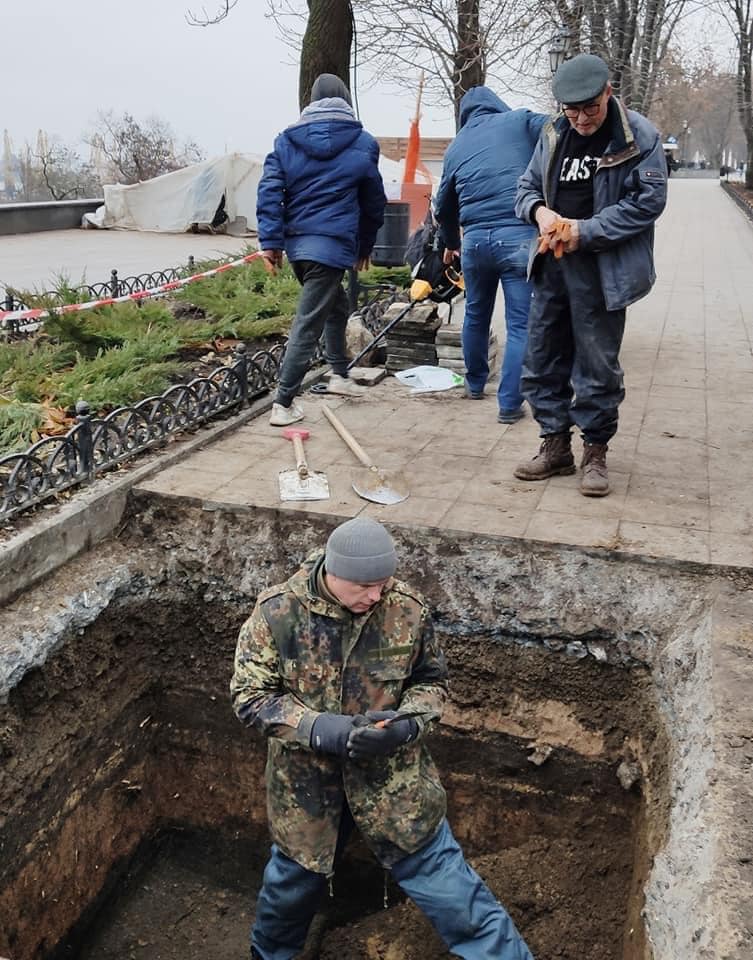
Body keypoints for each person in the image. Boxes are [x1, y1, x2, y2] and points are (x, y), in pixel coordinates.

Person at [231, 516, 534, 960]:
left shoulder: (406, 609)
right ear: (334, 574)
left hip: (395, 789)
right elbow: (249, 696)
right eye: (365, 587)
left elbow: (432, 682)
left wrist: (407, 725)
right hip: (308, 794)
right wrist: (317, 727)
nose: (376, 596)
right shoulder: (277, 614)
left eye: (383, 583)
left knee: (454, 894)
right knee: (289, 892)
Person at [514, 54, 667, 496]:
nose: (581, 119)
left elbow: (647, 203)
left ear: (608, 93)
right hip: (551, 266)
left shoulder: (639, 135)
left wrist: (586, 231)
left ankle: (595, 452)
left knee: (597, 364)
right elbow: (524, 189)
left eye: (590, 109)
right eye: (571, 110)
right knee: (542, 358)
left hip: (602, 270)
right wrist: (540, 213)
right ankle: (555, 444)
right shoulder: (551, 131)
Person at [256, 74, 387, 427]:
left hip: (300, 247)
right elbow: (373, 201)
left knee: (337, 305)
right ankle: (283, 403)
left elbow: (270, 190)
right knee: (309, 321)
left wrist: (271, 242)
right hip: (331, 246)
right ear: (346, 99)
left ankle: (339, 375)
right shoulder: (362, 142)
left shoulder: (286, 141)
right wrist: (365, 244)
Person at [434, 87, 548, 423]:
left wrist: (450, 242)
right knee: (520, 324)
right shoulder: (520, 120)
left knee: (475, 313)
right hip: (518, 237)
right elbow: (559, 127)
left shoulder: (456, 146)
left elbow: (444, 204)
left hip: (475, 244)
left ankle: (474, 384)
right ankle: (509, 405)